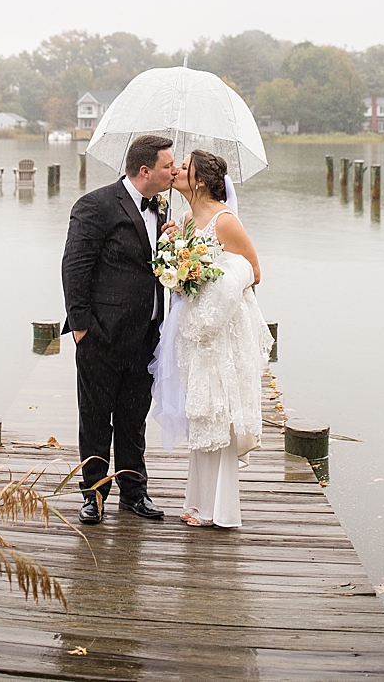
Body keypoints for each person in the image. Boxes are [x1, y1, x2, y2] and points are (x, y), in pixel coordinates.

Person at [60, 133, 177, 525]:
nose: (173, 170)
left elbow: (153, 266)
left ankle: (134, 492)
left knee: (133, 418)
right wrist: (81, 329)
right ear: (145, 171)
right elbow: (75, 269)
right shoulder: (95, 205)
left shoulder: (161, 210)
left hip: (147, 337)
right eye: (167, 166)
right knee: (95, 419)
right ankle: (93, 495)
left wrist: (171, 244)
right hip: (101, 336)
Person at [154, 148, 272, 529]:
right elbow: (181, 272)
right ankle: (199, 502)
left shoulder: (225, 221)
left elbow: (252, 271)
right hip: (195, 332)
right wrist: (174, 248)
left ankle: (220, 509)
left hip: (222, 332)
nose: (175, 171)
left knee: (218, 410)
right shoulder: (187, 219)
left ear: (200, 180)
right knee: (201, 411)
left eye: (183, 167)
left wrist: (208, 277)